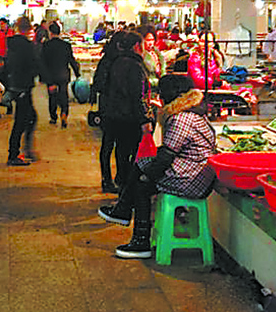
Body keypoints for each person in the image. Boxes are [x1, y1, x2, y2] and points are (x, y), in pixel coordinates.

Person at [98, 75, 216, 258]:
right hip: (196, 173)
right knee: (142, 163)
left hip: (192, 179)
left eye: (161, 93)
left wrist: (147, 177)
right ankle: (123, 211)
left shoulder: (181, 119)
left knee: (142, 185)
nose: (159, 97)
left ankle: (140, 241)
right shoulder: (193, 113)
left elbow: (166, 157)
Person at [103, 31, 154, 188]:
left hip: (116, 115)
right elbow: (137, 96)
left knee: (121, 151)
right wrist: (145, 119)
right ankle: (128, 187)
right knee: (131, 153)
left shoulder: (117, 62)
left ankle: (122, 183)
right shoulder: (135, 66)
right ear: (137, 46)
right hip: (130, 117)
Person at [91, 31, 127, 193]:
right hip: (112, 108)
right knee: (113, 145)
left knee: (111, 144)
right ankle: (110, 179)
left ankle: (112, 179)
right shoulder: (113, 61)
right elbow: (99, 83)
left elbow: (97, 83)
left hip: (110, 107)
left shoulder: (109, 59)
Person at [5, 16, 39, 166]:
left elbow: (9, 65)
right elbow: (32, 65)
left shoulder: (12, 44)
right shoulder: (26, 46)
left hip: (16, 85)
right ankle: (15, 154)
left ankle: (24, 150)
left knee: (28, 117)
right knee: (22, 120)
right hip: (23, 86)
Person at [41, 21, 80, 128]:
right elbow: (71, 60)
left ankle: (53, 117)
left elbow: (43, 62)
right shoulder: (66, 45)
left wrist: (43, 77)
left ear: (50, 32)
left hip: (51, 76)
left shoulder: (46, 45)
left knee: (52, 97)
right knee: (64, 95)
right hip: (63, 74)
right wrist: (77, 73)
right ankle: (64, 114)